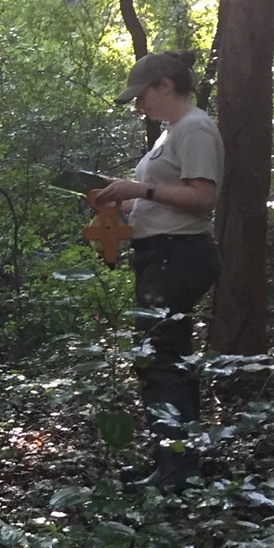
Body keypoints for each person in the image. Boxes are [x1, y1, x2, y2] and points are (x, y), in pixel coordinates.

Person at [95, 51, 223, 492]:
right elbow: (157, 200)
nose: (137, 106)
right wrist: (119, 199)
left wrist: (141, 187)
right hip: (162, 254)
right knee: (171, 358)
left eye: (141, 96)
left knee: (158, 360)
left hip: (179, 255)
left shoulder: (195, 129)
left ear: (165, 86)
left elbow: (202, 198)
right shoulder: (170, 135)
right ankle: (178, 462)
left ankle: (174, 474)